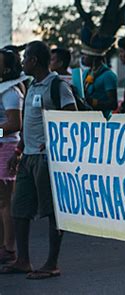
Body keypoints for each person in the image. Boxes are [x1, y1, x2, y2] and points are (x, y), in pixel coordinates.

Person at [0, 41, 77, 279]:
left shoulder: (57, 86)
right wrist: (19, 150)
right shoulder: (32, 86)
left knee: (52, 212)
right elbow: (28, 125)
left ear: (33, 61)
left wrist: (54, 141)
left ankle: (51, 263)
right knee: (20, 210)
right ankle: (23, 260)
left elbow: (72, 119)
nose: (23, 63)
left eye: (26, 59)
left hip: (47, 159)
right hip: (27, 156)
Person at [0, 48, 24, 265]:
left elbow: (15, 124)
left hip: (6, 146)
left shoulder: (10, 92)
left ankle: (9, 248)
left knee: (5, 201)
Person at [80, 27, 118, 119]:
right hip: (87, 119)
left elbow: (113, 104)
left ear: (94, 57)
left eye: (85, 55)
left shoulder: (108, 76)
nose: (82, 57)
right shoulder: (85, 73)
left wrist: (92, 102)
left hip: (102, 120)